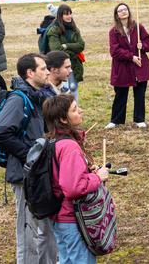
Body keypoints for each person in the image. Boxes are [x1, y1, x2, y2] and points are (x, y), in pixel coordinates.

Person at [0, 53, 57, 264]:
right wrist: (30, 155)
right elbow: (0, 132)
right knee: (28, 231)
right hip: (24, 175)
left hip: (38, 173)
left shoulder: (37, 96)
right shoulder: (19, 99)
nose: (48, 72)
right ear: (30, 73)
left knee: (45, 228)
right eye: (43, 68)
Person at [43, 94, 108, 264]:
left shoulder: (53, 140)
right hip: (73, 219)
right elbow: (72, 188)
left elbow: (61, 175)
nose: (80, 111)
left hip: (59, 217)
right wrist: (98, 178)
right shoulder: (70, 146)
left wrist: (87, 172)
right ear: (64, 119)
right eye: (74, 109)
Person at [106, 2, 149, 129]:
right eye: (120, 10)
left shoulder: (138, 27)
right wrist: (131, 57)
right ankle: (116, 120)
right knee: (120, 94)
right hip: (122, 68)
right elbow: (114, 51)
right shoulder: (114, 32)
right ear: (117, 14)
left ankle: (139, 119)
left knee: (139, 94)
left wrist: (142, 45)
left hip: (139, 67)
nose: (123, 11)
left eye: (125, 9)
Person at [47, 4, 85, 101]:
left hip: (75, 65)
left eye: (70, 14)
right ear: (60, 16)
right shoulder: (54, 30)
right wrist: (73, 52)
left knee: (73, 88)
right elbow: (56, 50)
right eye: (66, 14)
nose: (69, 16)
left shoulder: (74, 29)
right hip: (60, 66)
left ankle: (74, 111)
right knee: (63, 91)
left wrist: (67, 46)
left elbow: (81, 45)